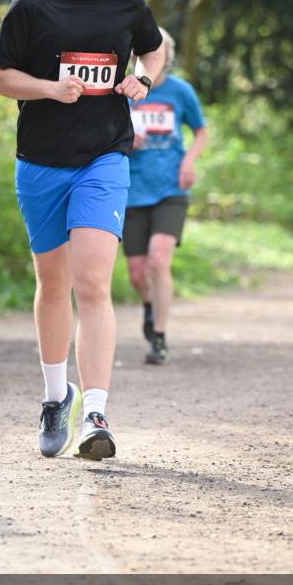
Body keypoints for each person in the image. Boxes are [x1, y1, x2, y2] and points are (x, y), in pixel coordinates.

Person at [0, 0, 165, 460]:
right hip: (40, 162)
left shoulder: (124, 1)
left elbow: (155, 51)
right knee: (53, 283)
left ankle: (95, 414)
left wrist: (142, 79)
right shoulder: (30, 5)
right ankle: (54, 396)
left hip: (103, 159)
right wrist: (49, 89)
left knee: (91, 284)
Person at [123, 28, 207, 363]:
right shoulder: (124, 90)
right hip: (131, 189)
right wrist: (125, 139)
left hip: (171, 188)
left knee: (159, 261)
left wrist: (189, 161)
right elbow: (103, 133)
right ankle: (149, 305)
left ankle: (159, 337)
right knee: (136, 274)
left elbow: (200, 131)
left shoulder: (180, 91)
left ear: (166, 57)